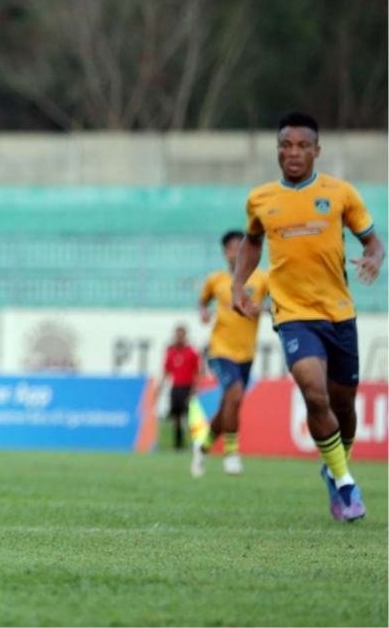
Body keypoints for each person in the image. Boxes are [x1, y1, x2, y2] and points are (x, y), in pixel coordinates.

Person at [232, 112, 383, 522]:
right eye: (286, 145)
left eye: (302, 145)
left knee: (344, 407)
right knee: (313, 393)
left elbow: (373, 241)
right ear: (277, 149)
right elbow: (251, 242)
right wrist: (237, 286)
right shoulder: (261, 199)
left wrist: (373, 260)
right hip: (293, 315)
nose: (293, 152)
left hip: (339, 314)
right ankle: (347, 484)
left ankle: (334, 468)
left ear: (317, 150)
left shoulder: (340, 194)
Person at [191, 231, 270, 478]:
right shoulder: (216, 280)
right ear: (225, 253)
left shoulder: (263, 278)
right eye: (232, 248)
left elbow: (279, 302)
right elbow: (202, 302)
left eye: (241, 247)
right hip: (219, 349)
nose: (237, 252)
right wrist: (203, 312)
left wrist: (264, 308)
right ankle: (232, 453)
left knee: (229, 404)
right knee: (234, 394)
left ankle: (202, 447)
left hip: (246, 352)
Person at [159, 326, 199, 451]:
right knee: (176, 417)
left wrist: (194, 388)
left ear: (185, 336)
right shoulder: (171, 352)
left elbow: (196, 372)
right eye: (177, 334)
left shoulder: (191, 352)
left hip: (187, 387)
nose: (179, 337)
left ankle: (194, 443)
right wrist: (161, 385)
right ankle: (178, 443)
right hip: (175, 388)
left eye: (181, 334)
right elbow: (167, 370)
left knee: (189, 417)